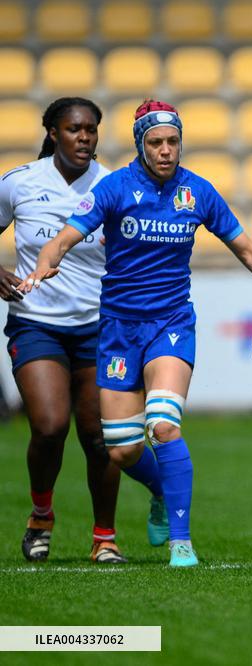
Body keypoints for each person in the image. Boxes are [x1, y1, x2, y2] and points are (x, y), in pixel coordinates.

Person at [20, 100, 252, 567]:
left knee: (163, 425)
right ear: (141, 144)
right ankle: (162, 492)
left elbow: (246, 249)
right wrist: (48, 262)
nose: (166, 151)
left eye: (173, 141)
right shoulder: (114, 188)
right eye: (156, 142)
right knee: (120, 450)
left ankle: (181, 542)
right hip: (119, 329)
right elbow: (64, 237)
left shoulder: (198, 192)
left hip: (172, 324)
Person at [1, 97, 167, 564]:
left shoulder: (113, 186)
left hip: (102, 328)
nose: (85, 138)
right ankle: (41, 514)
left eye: (92, 130)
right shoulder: (20, 183)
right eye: (75, 129)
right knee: (51, 426)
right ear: (52, 132)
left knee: (102, 437)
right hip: (37, 323)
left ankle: (104, 538)